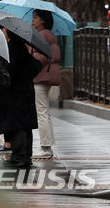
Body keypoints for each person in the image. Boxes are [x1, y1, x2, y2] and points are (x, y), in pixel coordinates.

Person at [0, 29, 43, 168]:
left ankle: (20, 157)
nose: (2, 31)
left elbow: (10, 70)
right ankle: (25, 155)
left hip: (16, 94)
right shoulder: (20, 47)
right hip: (24, 92)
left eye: (4, 29)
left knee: (18, 126)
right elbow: (34, 66)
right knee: (24, 126)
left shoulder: (13, 48)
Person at [31, 9, 61, 158]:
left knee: (41, 113)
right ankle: (47, 145)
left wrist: (29, 54)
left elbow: (39, 58)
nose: (33, 20)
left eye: (35, 17)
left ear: (43, 19)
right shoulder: (49, 34)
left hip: (40, 77)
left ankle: (45, 148)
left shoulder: (40, 35)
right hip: (47, 76)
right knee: (45, 112)